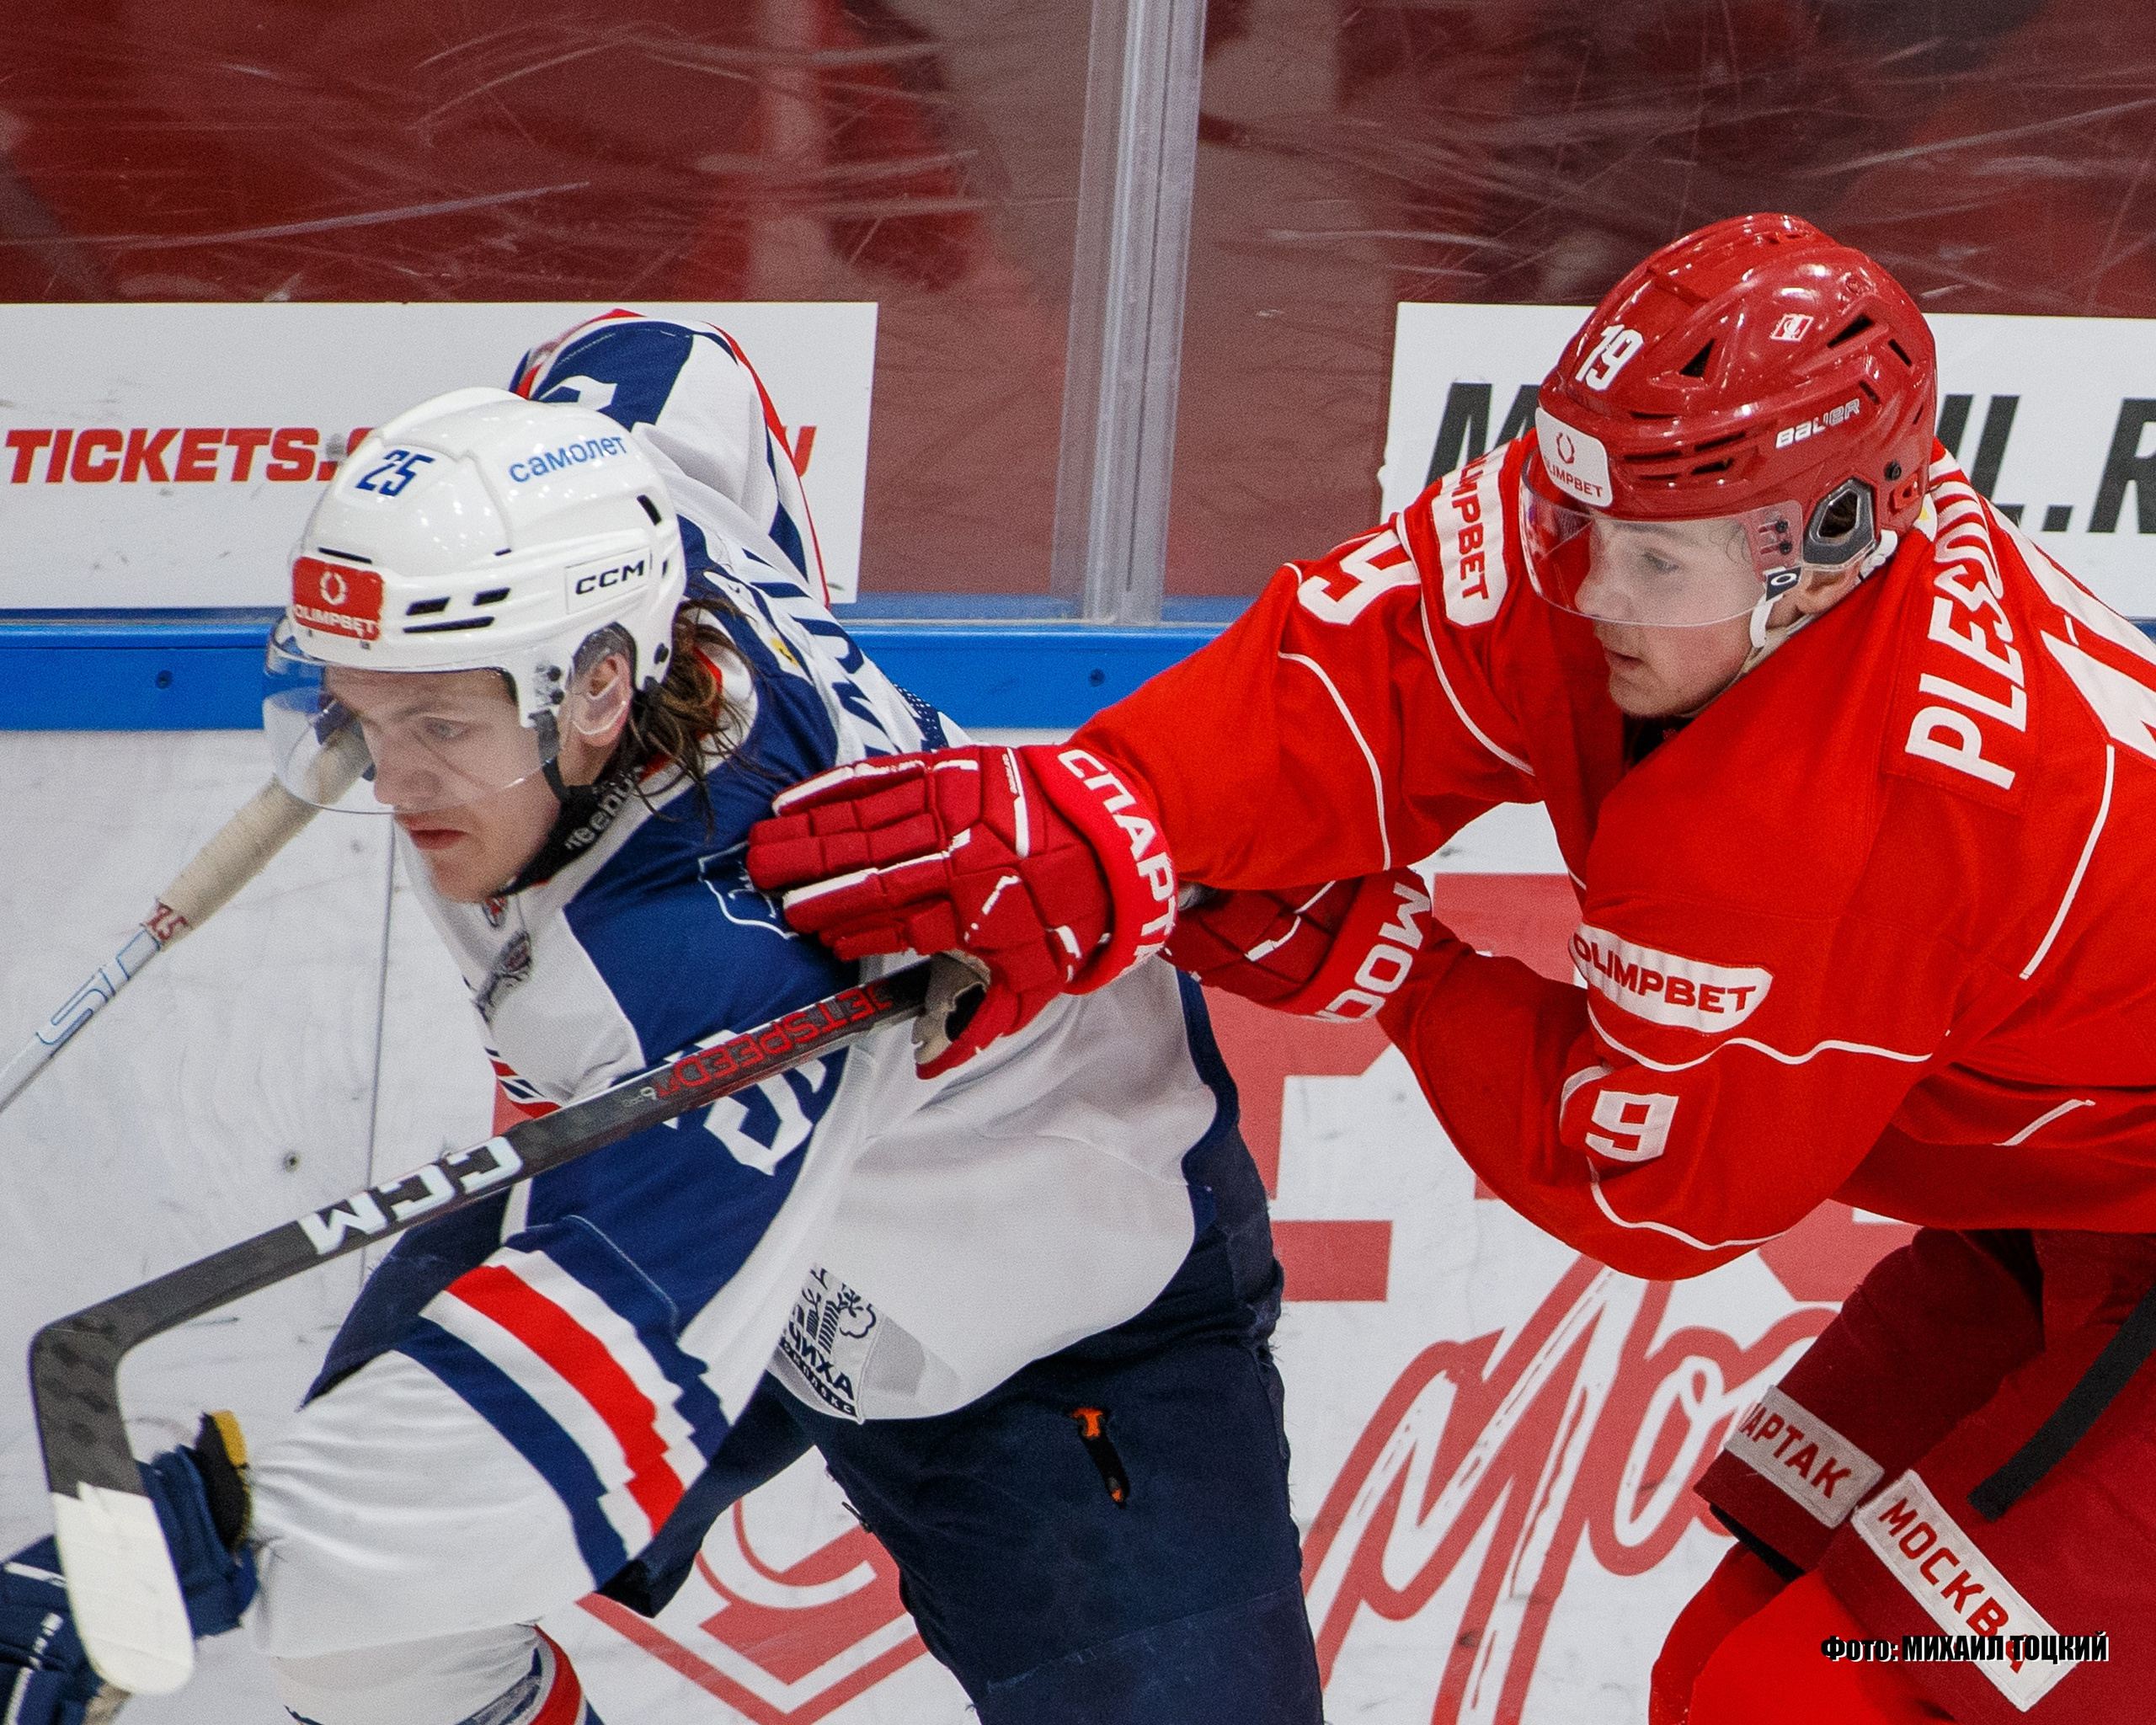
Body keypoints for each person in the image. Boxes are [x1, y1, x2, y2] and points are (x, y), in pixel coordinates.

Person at [746, 212, 2156, 1723]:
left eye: (1654, 561)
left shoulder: (1867, 822)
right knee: (1725, 1658)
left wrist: (1403, 971)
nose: (1593, 590)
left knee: (1828, 1699)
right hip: (2058, 1213)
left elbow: (1654, 1186)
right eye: (1580, 522)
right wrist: (1118, 810)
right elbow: (1380, 666)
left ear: (1823, 550)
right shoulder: (1674, 501)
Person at [0, 312, 1321, 1725]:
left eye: (440, 726)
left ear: (600, 687)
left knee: (364, 1564)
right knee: (367, 1647)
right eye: (358, 715)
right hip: (658, 1171)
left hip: (1046, 1294)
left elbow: (585, 1383)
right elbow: (670, 360)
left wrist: (177, 1548)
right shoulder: (635, 534)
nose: (394, 781)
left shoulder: (720, 952)